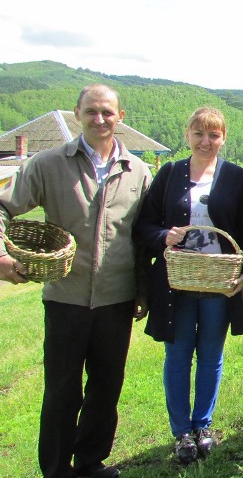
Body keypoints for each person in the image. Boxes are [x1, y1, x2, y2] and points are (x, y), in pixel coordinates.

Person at [0, 84, 151, 478]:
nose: (100, 119)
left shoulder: (138, 172)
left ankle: (90, 463)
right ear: (77, 113)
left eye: (107, 112)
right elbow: (2, 207)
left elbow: (141, 237)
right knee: (62, 390)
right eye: (91, 111)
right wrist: (1, 255)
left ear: (120, 117)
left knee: (106, 387)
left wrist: (142, 290)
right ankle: (56, 470)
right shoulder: (48, 164)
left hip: (117, 299)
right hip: (65, 297)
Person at [134, 107, 243, 463]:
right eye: (199, 133)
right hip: (176, 284)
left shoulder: (234, 177)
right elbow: (144, 225)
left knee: (210, 355)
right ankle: (181, 433)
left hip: (219, 284)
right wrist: (164, 235)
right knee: (177, 356)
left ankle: (203, 425)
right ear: (187, 135)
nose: (206, 141)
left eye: (213, 135)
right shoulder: (169, 173)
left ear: (223, 138)